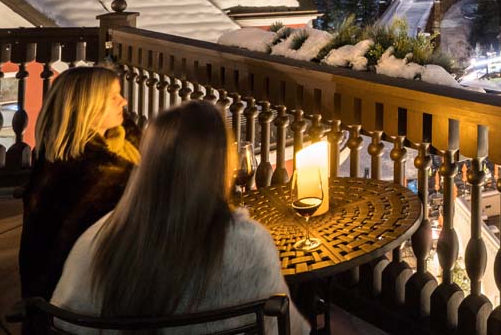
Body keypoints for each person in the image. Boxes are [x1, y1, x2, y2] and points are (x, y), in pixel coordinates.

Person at [52, 100, 309, 333]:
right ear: (222, 164)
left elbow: (64, 323)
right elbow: (289, 329)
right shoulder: (248, 245)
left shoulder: (95, 241)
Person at [19, 65, 138, 301]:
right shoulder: (91, 173)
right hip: (85, 295)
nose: (123, 102)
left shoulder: (118, 143)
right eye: (113, 97)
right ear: (85, 107)